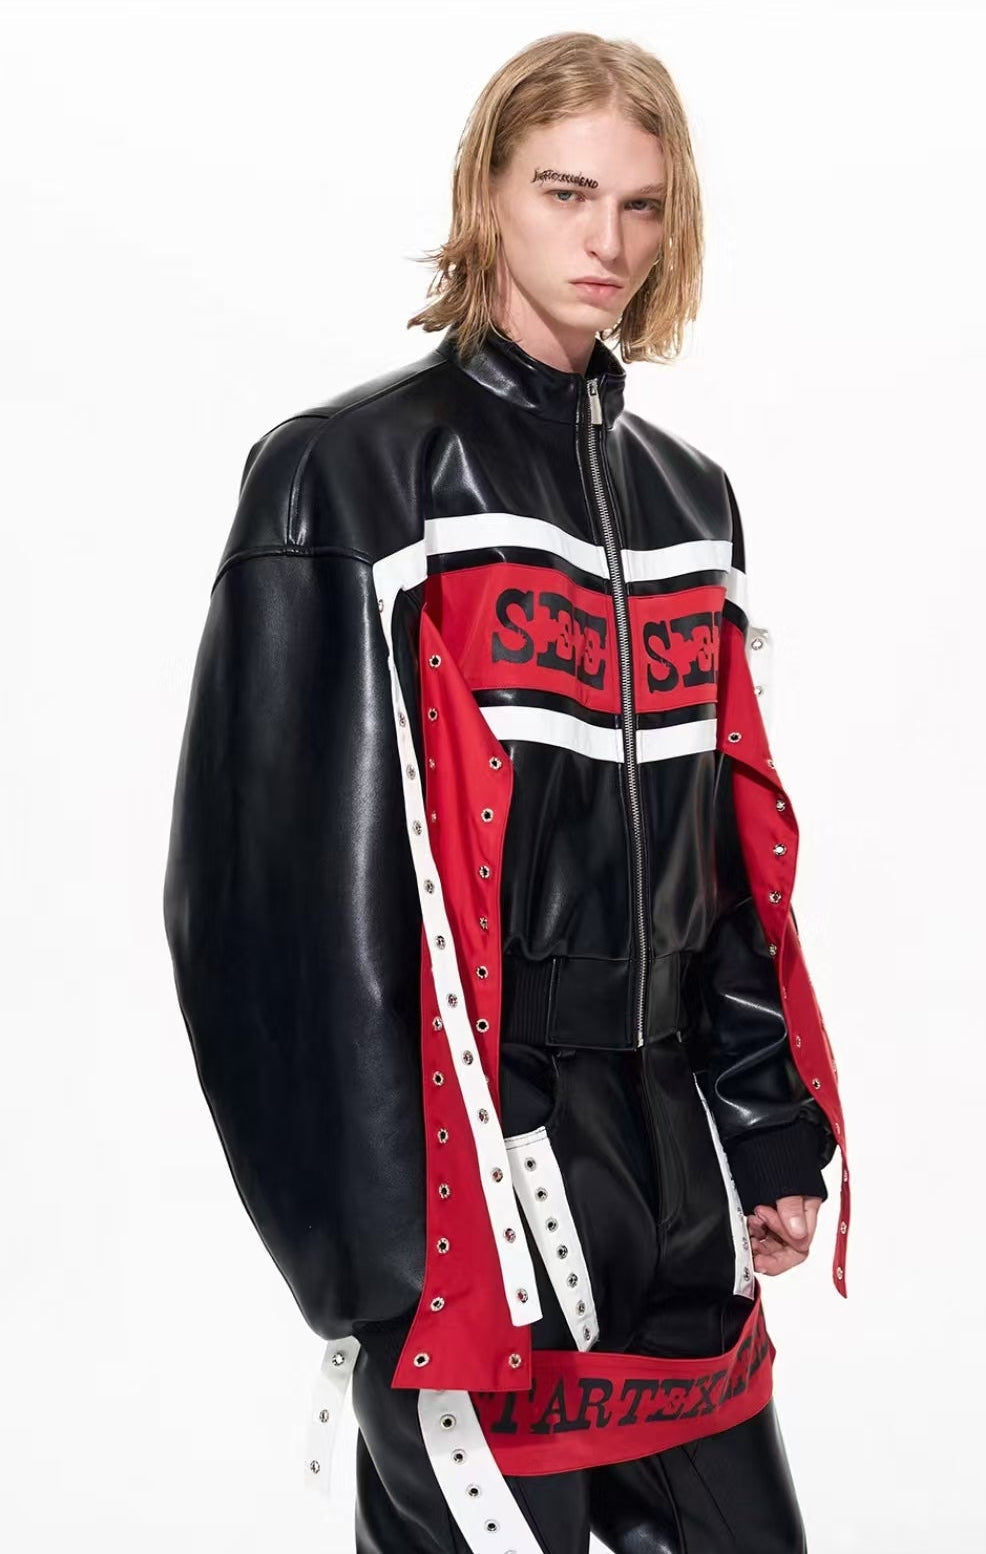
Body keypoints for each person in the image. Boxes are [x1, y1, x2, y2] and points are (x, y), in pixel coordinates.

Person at [163, 29, 850, 1554]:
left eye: (643, 205)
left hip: (671, 1176)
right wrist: (375, 1256)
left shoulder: (689, 500)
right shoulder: (345, 477)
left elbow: (721, 851)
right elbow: (255, 916)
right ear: (486, 192)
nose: (608, 241)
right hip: (472, 1185)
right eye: (566, 192)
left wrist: (763, 1119)